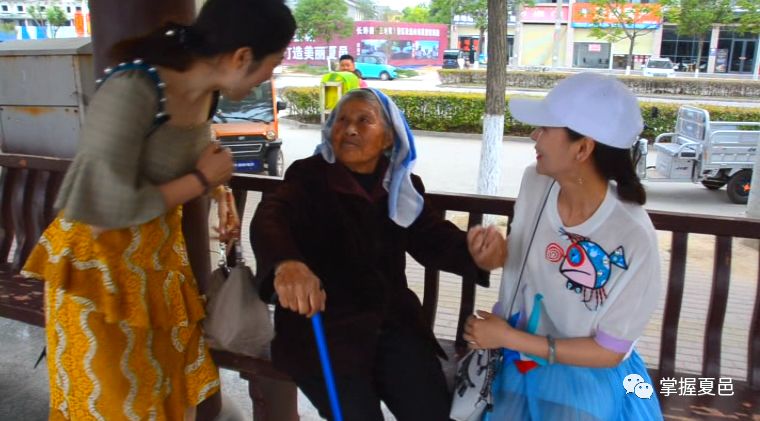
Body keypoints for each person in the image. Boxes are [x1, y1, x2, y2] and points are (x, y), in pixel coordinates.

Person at [20, 0, 296, 419]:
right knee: (112, 405)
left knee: (162, 399)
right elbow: (101, 209)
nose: (269, 76)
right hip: (98, 275)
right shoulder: (133, 88)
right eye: (270, 65)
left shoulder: (207, 93)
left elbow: (189, 152)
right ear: (242, 57)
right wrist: (201, 181)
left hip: (158, 268)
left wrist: (219, 194)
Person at [251, 88, 506, 420]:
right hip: (325, 330)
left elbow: (432, 237)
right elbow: (271, 216)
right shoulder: (308, 176)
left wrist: (477, 254)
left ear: (388, 138)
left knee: (431, 412)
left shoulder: (399, 185)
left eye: (363, 120)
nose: (350, 129)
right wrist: (287, 263)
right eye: (341, 120)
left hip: (394, 327)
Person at [464, 72, 663, 420]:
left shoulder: (633, 237)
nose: (534, 136)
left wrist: (508, 338)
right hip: (518, 361)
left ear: (583, 148)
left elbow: (609, 352)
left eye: (545, 129)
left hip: (586, 377)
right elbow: (526, 255)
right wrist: (495, 254)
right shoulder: (535, 183)